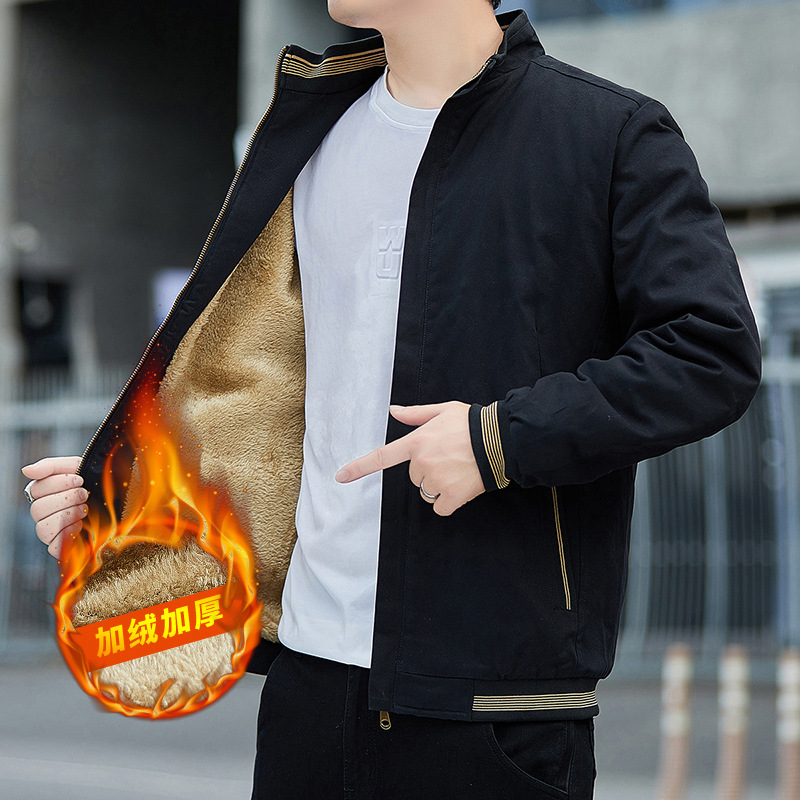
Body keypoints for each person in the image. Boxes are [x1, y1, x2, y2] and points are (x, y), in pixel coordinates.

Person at [21, 1, 762, 798]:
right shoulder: (310, 132)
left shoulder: (607, 134)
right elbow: (269, 389)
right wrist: (125, 498)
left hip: (491, 709)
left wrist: (500, 441)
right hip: (308, 695)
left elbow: (710, 351)